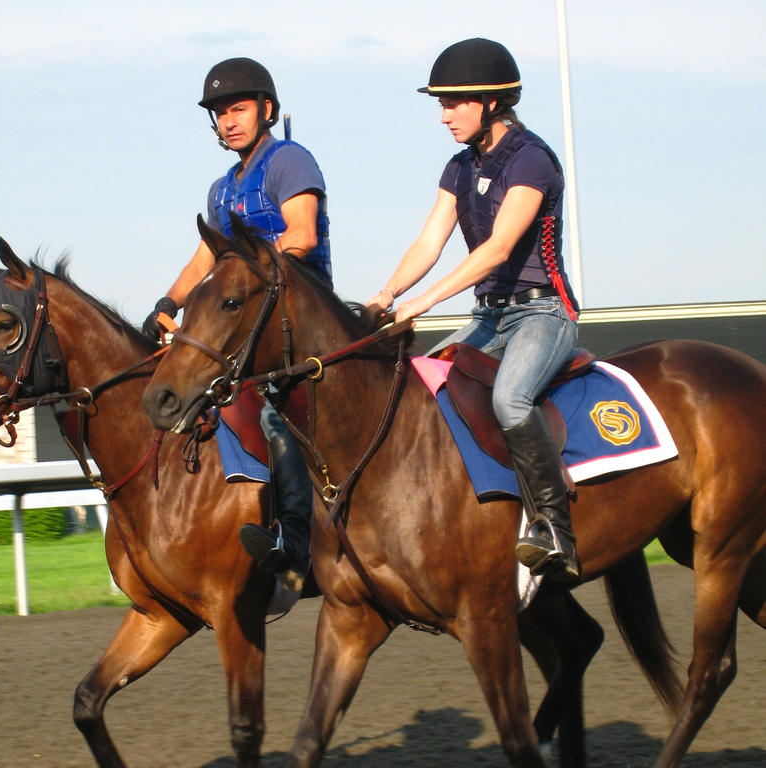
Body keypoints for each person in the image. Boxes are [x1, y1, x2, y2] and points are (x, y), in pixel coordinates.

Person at [367, 38, 581, 582]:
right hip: (489, 317)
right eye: (440, 104)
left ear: (490, 102)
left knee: (511, 400)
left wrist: (424, 301)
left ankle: (554, 530)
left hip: (542, 314)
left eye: (453, 104)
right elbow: (428, 242)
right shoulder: (459, 168)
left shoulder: (533, 158)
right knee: (421, 392)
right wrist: (386, 294)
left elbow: (498, 249)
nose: (443, 117)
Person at [143, 58, 332, 594]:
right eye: (221, 113)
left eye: (239, 109)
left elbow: (301, 235)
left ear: (265, 110)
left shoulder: (289, 161)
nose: (229, 121)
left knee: (278, 423)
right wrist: (170, 301)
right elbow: (204, 260)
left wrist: (248, 273)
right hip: (256, 332)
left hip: (306, 325)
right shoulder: (221, 190)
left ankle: (297, 546)